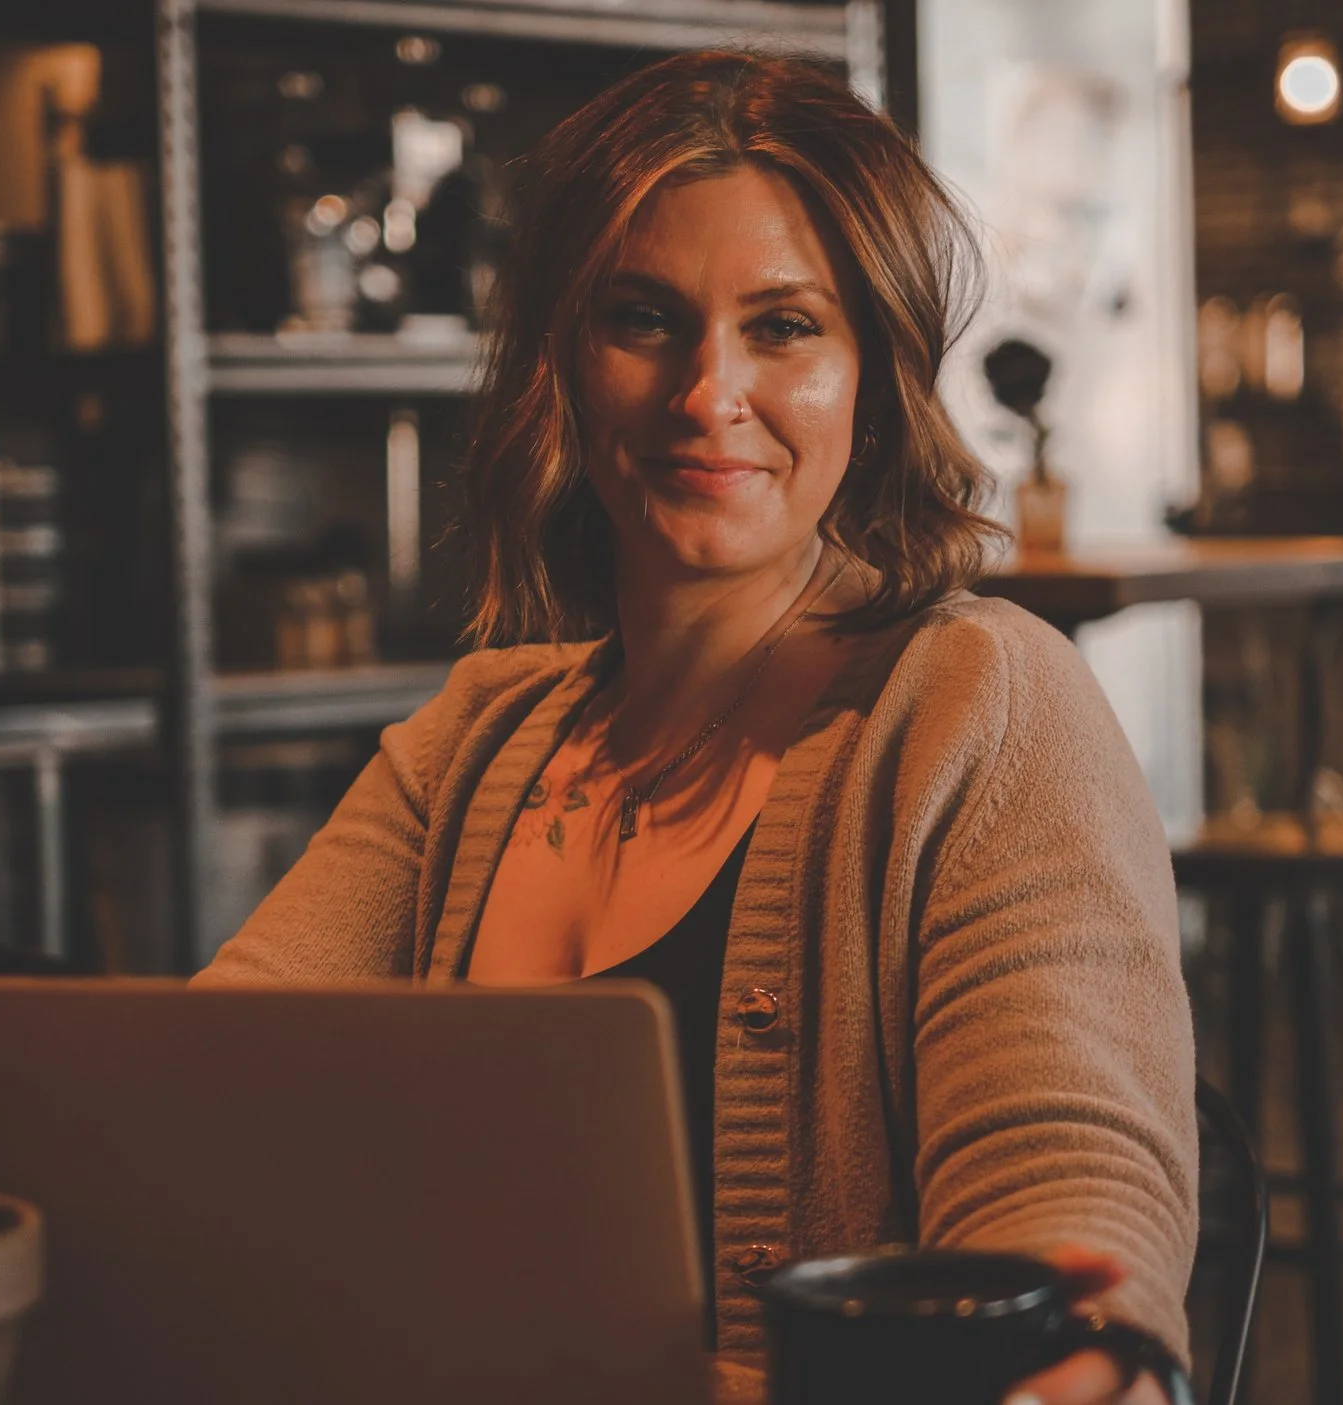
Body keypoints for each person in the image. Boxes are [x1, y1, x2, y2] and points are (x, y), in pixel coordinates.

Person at [199, 50, 1196, 1405]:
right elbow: (208, 1087)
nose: (704, 394)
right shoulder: (475, 741)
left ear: (876, 372)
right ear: (564, 359)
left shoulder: (976, 705)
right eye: (644, 319)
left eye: (783, 327)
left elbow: (1067, 1170)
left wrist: (1076, 1364)